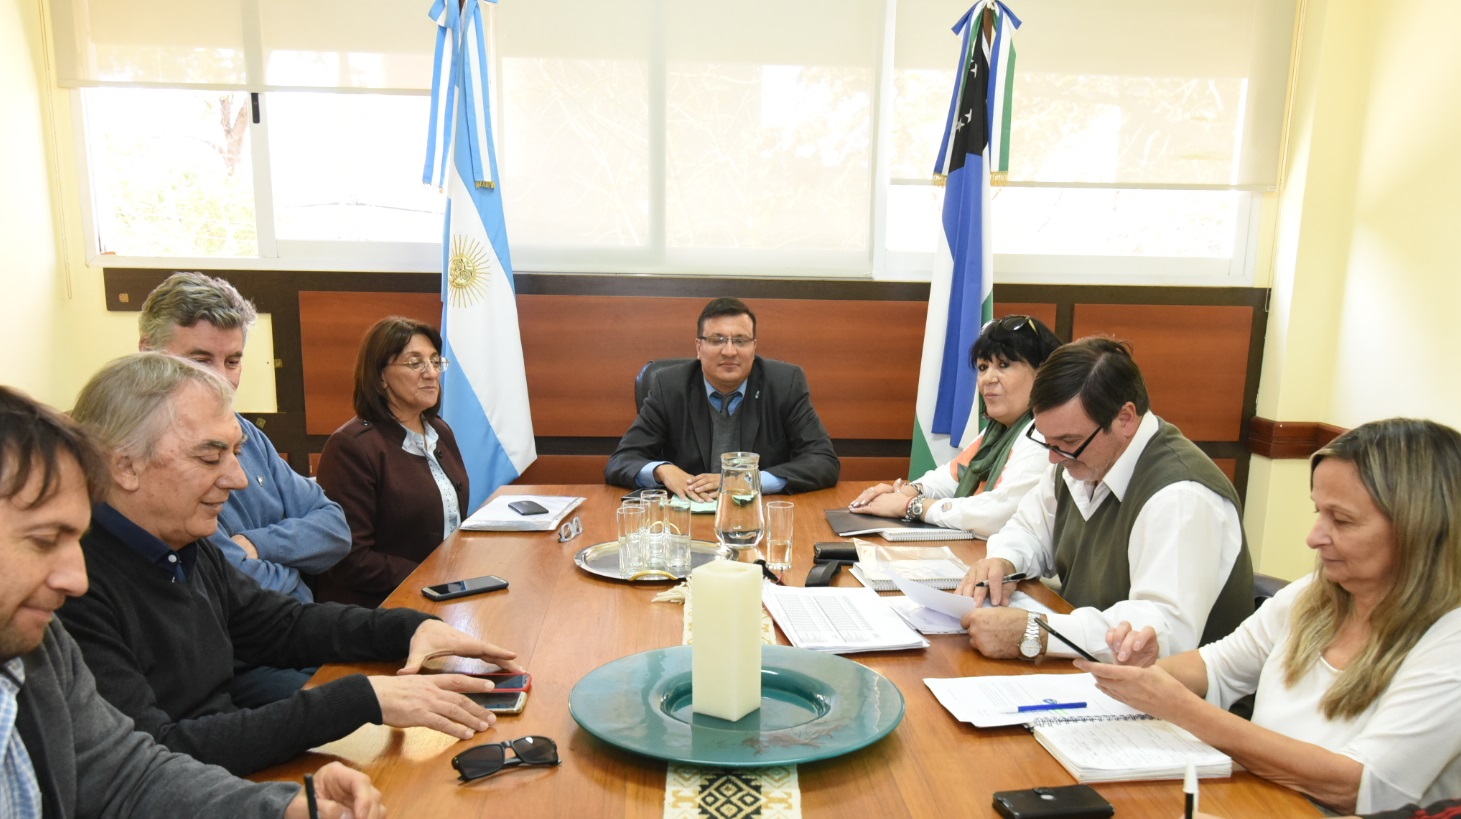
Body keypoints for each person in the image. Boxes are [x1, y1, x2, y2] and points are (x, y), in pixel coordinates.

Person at [60, 353, 521, 777]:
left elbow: (282, 626)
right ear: (124, 467)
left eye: (236, 453)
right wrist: (361, 698)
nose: (237, 479)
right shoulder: (70, 588)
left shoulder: (183, 544)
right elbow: (154, 755)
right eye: (209, 455)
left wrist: (409, 629)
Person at [0, 384, 383, 818]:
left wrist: (284, 808)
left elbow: (131, 778)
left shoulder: (44, 649)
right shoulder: (58, 618)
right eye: (45, 540)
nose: (75, 578)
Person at [1083, 418, 1461, 815]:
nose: (1314, 537)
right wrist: (1145, 672)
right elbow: (1218, 666)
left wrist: (1184, 709)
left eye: (1343, 520)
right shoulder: (1312, 596)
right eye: (1319, 512)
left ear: (1421, 530)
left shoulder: (1450, 642)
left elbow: (1360, 785)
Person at [956, 337, 1254, 660]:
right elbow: (1028, 528)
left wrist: (1037, 632)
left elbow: (1154, 633)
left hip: (1177, 701)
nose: (1054, 459)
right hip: (1095, 678)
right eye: (1049, 441)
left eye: (1068, 440)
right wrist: (1004, 561)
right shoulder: (1079, 458)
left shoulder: (1180, 496)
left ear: (1125, 419)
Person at [139, 271, 351, 705]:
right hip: (238, 661)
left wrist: (255, 544)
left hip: (298, 631)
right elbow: (224, 580)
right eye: (200, 360)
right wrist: (294, 567)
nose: (221, 379)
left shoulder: (250, 437)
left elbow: (334, 528)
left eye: (232, 361)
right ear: (148, 354)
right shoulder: (144, 454)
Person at [604, 297, 840, 500]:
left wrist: (747, 481)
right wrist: (662, 470)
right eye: (717, 340)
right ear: (699, 347)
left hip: (757, 515)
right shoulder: (669, 387)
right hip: (686, 518)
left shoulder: (784, 384)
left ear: (754, 347)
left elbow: (823, 462)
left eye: (740, 340)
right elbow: (621, 461)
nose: (729, 351)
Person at [847, 315, 1062, 535]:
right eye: (983, 367)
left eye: (1004, 365)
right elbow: (951, 477)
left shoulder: (1045, 435)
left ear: (1043, 373)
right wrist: (905, 492)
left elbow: (997, 514)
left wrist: (910, 506)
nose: (988, 378)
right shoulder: (997, 431)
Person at [314, 316, 468, 607]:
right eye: (415, 363)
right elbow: (350, 558)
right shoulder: (352, 447)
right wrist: (431, 577)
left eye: (436, 361)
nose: (432, 373)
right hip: (381, 608)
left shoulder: (440, 430)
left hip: (441, 591)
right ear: (380, 376)